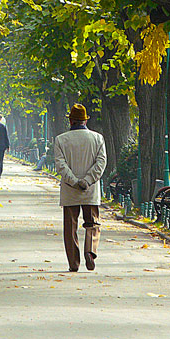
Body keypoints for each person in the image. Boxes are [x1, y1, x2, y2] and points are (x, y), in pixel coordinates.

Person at [53, 104, 106, 272]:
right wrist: (88, 180)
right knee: (92, 223)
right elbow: (101, 162)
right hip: (90, 191)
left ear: (71, 120)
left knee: (70, 227)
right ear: (85, 120)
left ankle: (73, 263)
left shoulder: (61, 140)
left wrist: (74, 181)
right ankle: (90, 251)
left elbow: (60, 165)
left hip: (70, 190)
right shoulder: (98, 139)